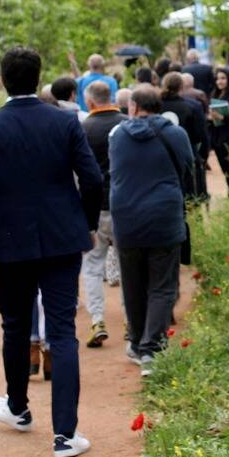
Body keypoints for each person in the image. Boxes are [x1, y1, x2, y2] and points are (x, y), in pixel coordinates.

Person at [0, 47, 106, 457]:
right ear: (38, 75)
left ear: (2, 80)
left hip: (9, 241)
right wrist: (88, 224)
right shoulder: (64, 122)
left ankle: (18, 408)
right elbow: (92, 178)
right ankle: (65, 435)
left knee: (15, 326)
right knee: (62, 331)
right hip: (62, 238)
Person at [108, 86, 192, 366]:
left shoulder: (118, 136)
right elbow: (187, 167)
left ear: (132, 107)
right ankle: (152, 347)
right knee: (162, 284)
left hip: (127, 218)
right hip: (164, 216)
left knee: (132, 284)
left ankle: (136, 342)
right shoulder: (175, 134)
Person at [79, 78, 128, 348]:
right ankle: (131, 319)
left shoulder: (84, 128)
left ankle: (97, 320)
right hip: (124, 204)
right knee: (126, 263)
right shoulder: (126, 124)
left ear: (89, 102)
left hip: (95, 208)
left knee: (93, 266)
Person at [162, 71, 211, 203]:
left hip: (162, 155)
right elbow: (201, 135)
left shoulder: (156, 105)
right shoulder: (192, 106)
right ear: (181, 87)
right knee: (192, 195)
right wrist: (204, 157)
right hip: (187, 154)